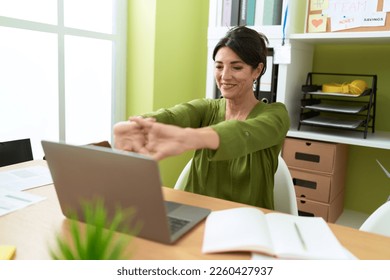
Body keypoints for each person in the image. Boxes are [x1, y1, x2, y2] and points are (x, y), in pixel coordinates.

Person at [113, 26, 290, 210]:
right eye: (219, 66)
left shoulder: (276, 115)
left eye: (236, 67)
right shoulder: (207, 109)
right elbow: (173, 115)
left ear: (257, 70)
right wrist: (136, 124)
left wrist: (187, 138)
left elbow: (243, 134)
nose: (225, 76)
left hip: (247, 223)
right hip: (194, 216)